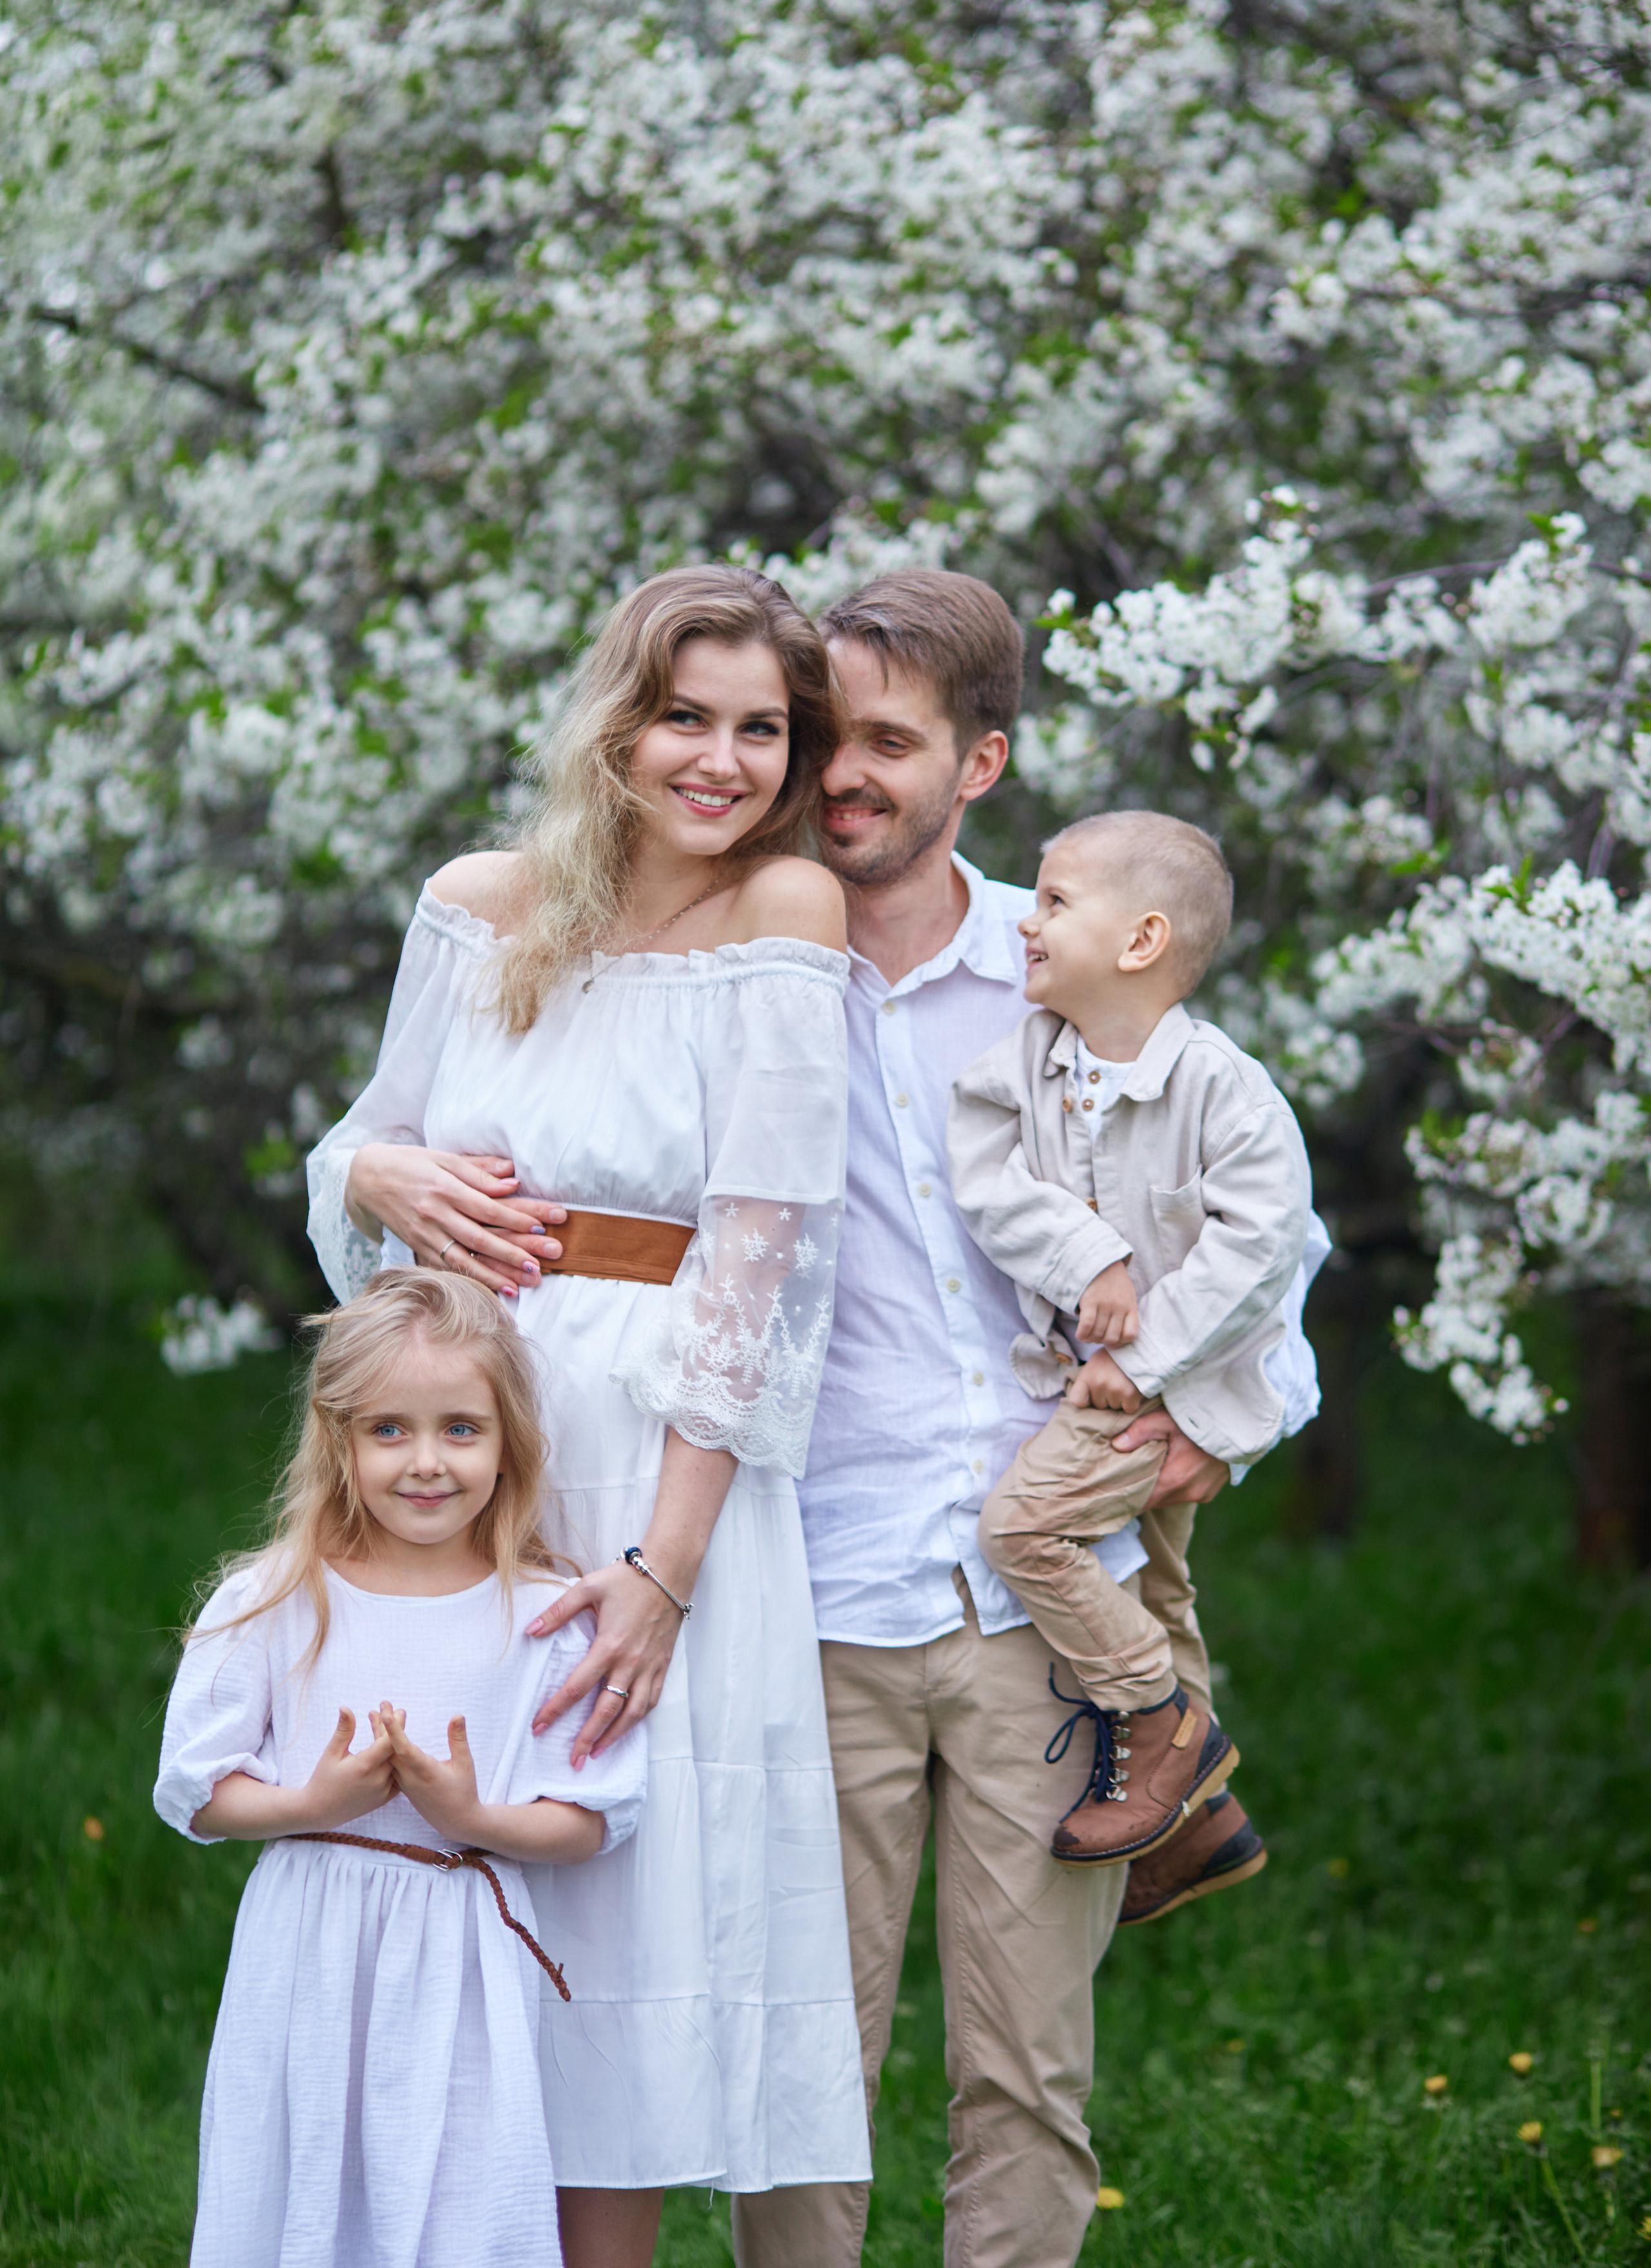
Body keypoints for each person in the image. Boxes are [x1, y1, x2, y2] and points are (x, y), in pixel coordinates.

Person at [728, 570, 1328, 2268]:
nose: (846, 771)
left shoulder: (1074, 954)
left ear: (977, 766)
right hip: (810, 1589)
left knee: (1028, 2078)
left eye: (891, 744)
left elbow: (1269, 1225)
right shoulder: (731, 974)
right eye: (826, 735)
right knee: (799, 2074)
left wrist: (1237, 1411)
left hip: (1039, 1604)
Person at [303, 567, 871, 2267]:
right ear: (616, 720)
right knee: (451, 1865)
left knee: (618, 1907)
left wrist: (661, 1569)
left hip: (656, 1457)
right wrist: (377, 1168)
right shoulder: (484, 905)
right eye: (684, 716)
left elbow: (768, 1259)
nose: (719, 758)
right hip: (452, 1443)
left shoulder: (786, 911)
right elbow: (358, 1157)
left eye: (761, 728)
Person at [153, 1268, 648, 2268]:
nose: (426, 1462)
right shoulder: (274, 1599)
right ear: (339, 1441)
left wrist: (475, 1816)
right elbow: (196, 1791)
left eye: (461, 1429)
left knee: (462, 2200)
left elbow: (596, 1814)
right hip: (311, 1958)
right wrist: (313, 1800)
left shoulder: (546, 1618)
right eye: (389, 1431)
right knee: (305, 2188)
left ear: (510, 1443)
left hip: (464, 1962)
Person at [949, 807, 1313, 1870]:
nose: (1027, 921)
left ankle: (1158, 1723)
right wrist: (1086, 1259)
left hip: (1160, 1394)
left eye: (1055, 902)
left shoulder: (1225, 1090)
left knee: (1022, 1533)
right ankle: (1187, 1831)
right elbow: (985, 1180)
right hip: (1091, 1376)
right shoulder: (1023, 1062)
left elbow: (1262, 1247)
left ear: (1142, 941)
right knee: (1153, 1585)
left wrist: (1144, 1361)